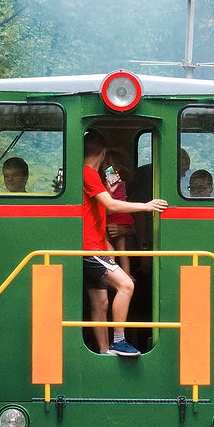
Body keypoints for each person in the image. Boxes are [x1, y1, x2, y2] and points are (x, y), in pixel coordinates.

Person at [82, 130, 167, 356]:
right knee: (126, 285)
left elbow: (99, 206)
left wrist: (107, 191)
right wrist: (146, 206)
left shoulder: (91, 178)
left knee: (100, 302)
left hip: (93, 247)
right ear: (102, 153)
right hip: (91, 249)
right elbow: (112, 207)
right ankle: (119, 341)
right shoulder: (89, 174)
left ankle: (103, 350)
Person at [104, 149, 136, 274]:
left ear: (117, 168)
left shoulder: (113, 183)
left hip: (116, 215)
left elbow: (109, 202)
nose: (104, 168)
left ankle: (111, 272)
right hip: (122, 215)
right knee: (121, 249)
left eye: (107, 165)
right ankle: (127, 274)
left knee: (108, 245)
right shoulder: (122, 182)